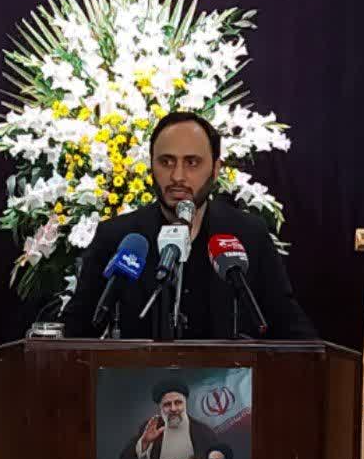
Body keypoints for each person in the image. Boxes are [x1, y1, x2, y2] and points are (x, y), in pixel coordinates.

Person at [64, 111, 316, 340]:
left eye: (192, 162)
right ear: (151, 166)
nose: (178, 176)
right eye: (166, 162)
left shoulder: (249, 234)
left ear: (215, 169)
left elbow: (292, 330)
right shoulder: (117, 237)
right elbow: (75, 333)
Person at [120, 379, 219, 459]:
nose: (173, 409)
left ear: (185, 403)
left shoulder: (203, 432)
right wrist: (145, 442)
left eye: (178, 403)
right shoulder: (151, 428)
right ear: (160, 407)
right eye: (167, 404)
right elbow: (127, 458)